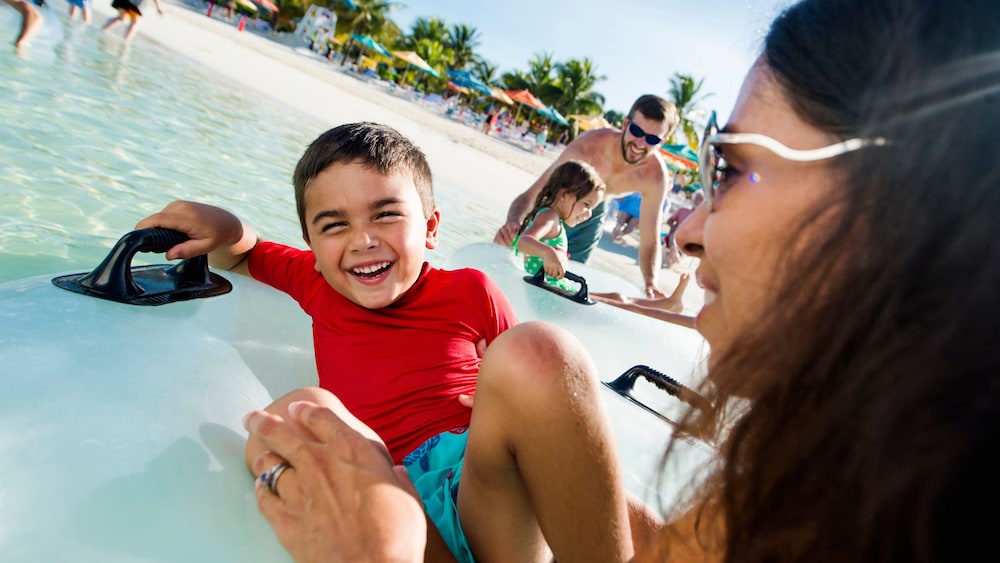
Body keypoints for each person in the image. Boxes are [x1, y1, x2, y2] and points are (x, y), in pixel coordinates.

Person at [241, 0, 1000, 560]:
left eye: (732, 170)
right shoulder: (805, 477)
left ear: (897, 214)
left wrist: (381, 554)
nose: (692, 231)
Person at [139, 122, 639, 562]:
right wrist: (223, 223)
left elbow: (530, 390)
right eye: (334, 225)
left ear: (431, 228)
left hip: (486, 488)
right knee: (301, 409)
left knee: (537, 350)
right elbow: (243, 252)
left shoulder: (470, 289)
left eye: (385, 215)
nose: (362, 240)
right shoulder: (315, 280)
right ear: (311, 247)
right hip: (385, 497)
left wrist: (498, 399)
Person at [494, 95, 680, 298]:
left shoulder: (655, 176)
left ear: (663, 141)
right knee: (524, 262)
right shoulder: (589, 146)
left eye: (652, 139)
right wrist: (513, 223)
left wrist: (651, 282)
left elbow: (650, 240)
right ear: (626, 123)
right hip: (560, 205)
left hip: (591, 215)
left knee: (567, 285)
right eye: (636, 131)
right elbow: (535, 193)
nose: (640, 143)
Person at [512, 159, 605, 288]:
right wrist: (548, 252)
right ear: (564, 194)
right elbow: (524, 242)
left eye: (592, 209)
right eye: (586, 205)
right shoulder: (549, 217)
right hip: (545, 290)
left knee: (612, 297)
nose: (589, 214)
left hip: (550, 287)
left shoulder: (554, 220)